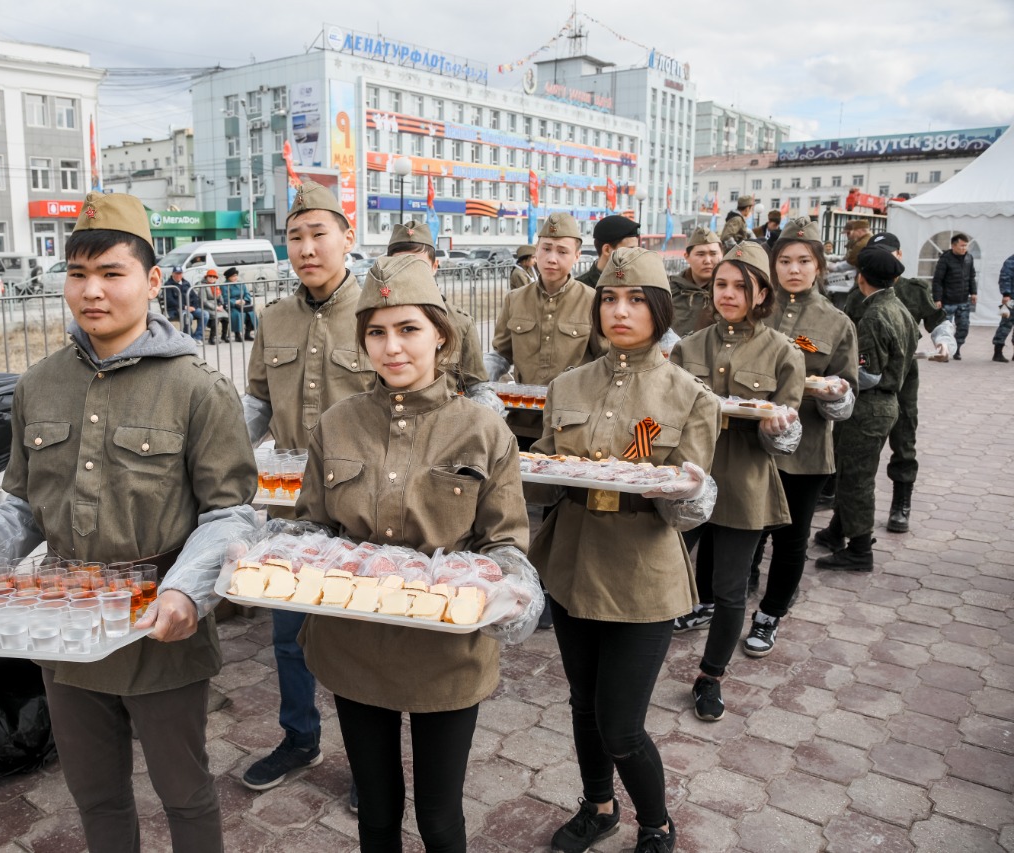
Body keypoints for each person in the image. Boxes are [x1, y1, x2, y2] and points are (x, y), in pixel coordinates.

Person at [0, 191, 258, 852]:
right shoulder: (37, 385)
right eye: (78, 273)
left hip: (160, 623)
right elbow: (24, 507)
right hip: (66, 620)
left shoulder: (199, 388)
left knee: (185, 791)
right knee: (96, 794)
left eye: (111, 273)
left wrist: (186, 588)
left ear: (152, 280)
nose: (92, 290)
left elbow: (229, 513)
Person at [295, 254, 543, 853]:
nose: (392, 347)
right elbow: (312, 527)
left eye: (408, 329)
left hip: (447, 652)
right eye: (376, 333)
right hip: (354, 645)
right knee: (376, 812)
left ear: (441, 335)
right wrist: (279, 560)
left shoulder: (483, 431)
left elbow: (505, 541)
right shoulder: (337, 425)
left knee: (439, 815)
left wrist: (512, 593)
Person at [526, 247, 719, 853]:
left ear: (660, 309)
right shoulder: (566, 385)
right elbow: (548, 479)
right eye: (609, 298)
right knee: (584, 705)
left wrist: (689, 492)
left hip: (643, 571)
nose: (619, 310)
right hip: (573, 562)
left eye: (636, 299)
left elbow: (686, 511)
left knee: (622, 724)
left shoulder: (692, 397)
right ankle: (598, 807)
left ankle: (657, 824)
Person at [240, 181, 376, 797]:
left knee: (361, 632)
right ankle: (299, 738)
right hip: (291, 501)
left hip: (366, 498)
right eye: (295, 236)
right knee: (288, 630)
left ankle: (369, 763)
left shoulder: (380, 312)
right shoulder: (274, 318)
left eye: (319, 233)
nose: (306, 247)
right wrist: (223, 460)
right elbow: (258, 403)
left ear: (347, 237)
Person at [668, 241, 804, 720]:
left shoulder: (784, 353)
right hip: (689, 479)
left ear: (761, 292)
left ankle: (711, 677)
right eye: (721, 284)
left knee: (728, 592)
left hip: (744, 486)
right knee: (663, 574)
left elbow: (786, 440)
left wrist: (777, 432)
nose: (727, 294)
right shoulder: (687, 347)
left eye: (739, 286)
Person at [742, 217, 857, 657]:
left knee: (791, 538)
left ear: (818, 266)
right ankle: (727, 597)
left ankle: (770, 615)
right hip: (749, 443)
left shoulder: (836, 321)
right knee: (746, 528)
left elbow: (847, 394)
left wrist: (834, 393)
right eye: (784, 260)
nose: (793, 269)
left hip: (805, 450)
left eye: (803, 261)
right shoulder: (755, 310)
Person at [816, 248, 922, 571]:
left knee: (855, 477)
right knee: (854, 470)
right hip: (888, 403)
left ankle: (860, 548)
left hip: (869, 405)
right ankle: (838, 530)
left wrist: (829, 376)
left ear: (861, 277)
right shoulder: (898, 307)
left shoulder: (874, 316)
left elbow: (868, 374)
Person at [843, 232, 956, 533]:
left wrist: (945, 344)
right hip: (867, 383)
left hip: (904, 379)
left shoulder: (912, 289)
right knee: (855, 452)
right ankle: (842, 519)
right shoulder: (858, 295)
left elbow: (939, 319)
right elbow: (841, 335)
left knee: (904, 441)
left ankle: (901, 506)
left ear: (899, 255)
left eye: (888, 254)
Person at [488, 212, 604, 444]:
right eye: (546, 249)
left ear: (577, 256)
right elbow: (501, 354)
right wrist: (483, 375)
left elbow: (604, 359)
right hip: (523, 421)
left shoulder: (593, 301)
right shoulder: (515, 299)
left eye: (562, 251)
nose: (552, 258)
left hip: (573, 424)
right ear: (536, 252)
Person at [385, 220, 503, 414]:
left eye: (418, 266)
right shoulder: (373, 323)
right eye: (400, 266)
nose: (410, 275)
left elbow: (479, 387)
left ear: (434, 266)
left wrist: (464, 421)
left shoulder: (459, 322)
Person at [932, 232, 978, 359]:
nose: (964, 248)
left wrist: (974, 292)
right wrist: (937, 298)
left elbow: (971, 277)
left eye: (966, 246)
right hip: (948, 301)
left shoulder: (969, 258)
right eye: (962, 246)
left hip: (963, 300)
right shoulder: (945, 259)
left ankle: (957, 348)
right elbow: (937, 280)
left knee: (964, 326)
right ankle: (945, 351)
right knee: (945, 328)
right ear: (953, 246)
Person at [669, 226, 721, 337]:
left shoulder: (729, 292)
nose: (707, 261)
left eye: (713, 254)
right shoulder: (670, 291)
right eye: (700, 254)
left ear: (722, 255)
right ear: (686, 257)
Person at [575, 214, 640, 287]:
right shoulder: (578, 290)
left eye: (636, 250)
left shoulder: (639, 284)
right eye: (630, 250)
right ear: (607, 250)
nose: (635, 255)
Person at [164, 266, 206, 341]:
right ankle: (189, 338)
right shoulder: (168, 284)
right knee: (188, 316)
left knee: (205, 314)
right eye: (176, 274)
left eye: (180, 273)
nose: (178, 276)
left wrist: (194, 307)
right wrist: (184, 307)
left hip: (190, 308)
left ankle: (198, 337)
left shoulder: (186, 283)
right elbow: (169, 300)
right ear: (172, 274)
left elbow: (194, 296)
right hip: (176, 310)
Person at [221, 267, 256, 343]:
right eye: (233, 276)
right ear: (228, 277)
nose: (235, 278)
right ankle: (237, 335)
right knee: (236, 314)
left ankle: (247, 333)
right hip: (231, 306)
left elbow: (247, 294)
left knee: (251, 313)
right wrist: (235, 302)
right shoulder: (224, 286)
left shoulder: (241, 284)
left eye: (236, 275)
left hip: (242, 304)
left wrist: (244, 300)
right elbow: (224, 298)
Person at [200, 269, 230, 344]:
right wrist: (215, 308)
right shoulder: (203, 287)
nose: (212, 278)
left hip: (217, 306)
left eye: (214, 277)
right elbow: (204, 301)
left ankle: (224, 336)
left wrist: (221, 305)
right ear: (206, 277)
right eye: (210, 276)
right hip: (207, 307)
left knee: (226, 318)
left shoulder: (216, 286)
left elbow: (220, 297)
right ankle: (212, 338)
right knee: (216, 318)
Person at [995, 252, 1014, 361]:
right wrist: (1006, 294)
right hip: (1011, 299)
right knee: (1005, 325)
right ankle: (997, 352)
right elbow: (1004, 277)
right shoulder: (1011, 261)